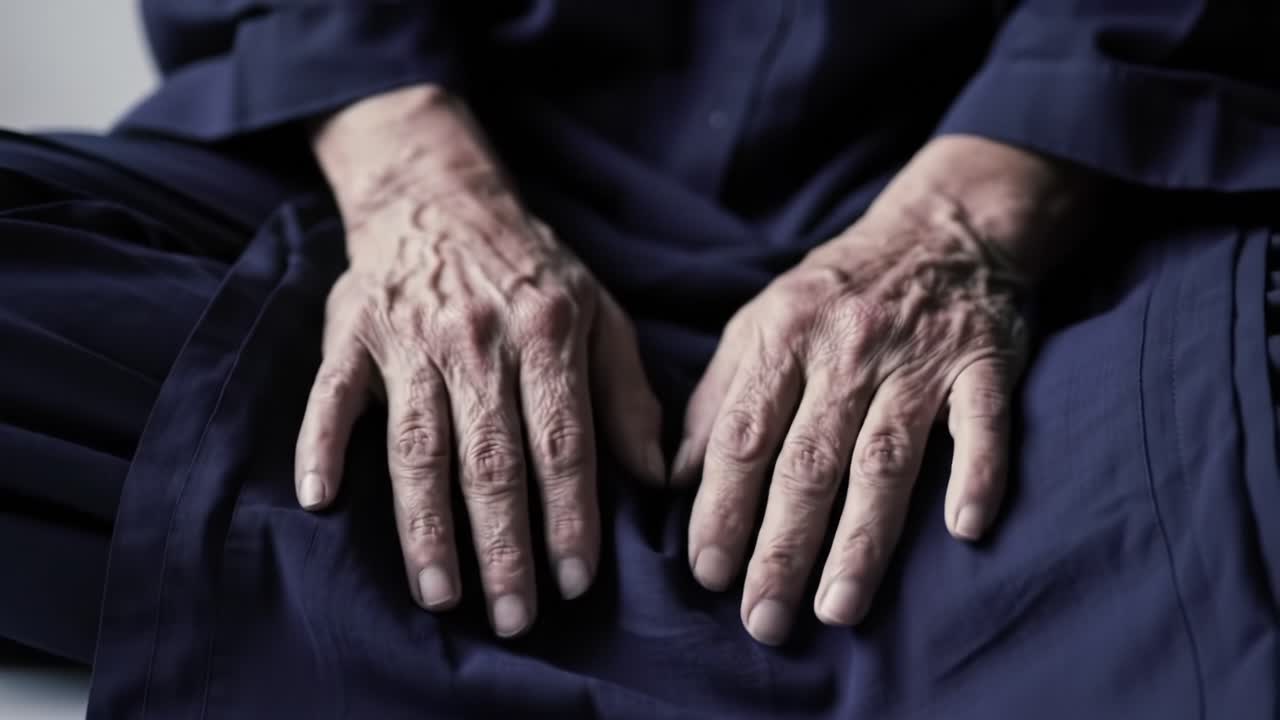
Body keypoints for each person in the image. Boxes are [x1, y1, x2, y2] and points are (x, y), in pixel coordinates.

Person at [2, 1, 1278, 717]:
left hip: (1034, 196)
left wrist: (962, 228)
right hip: (406, 165)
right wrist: (415, 191)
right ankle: (890, 624)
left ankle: (469, 578)